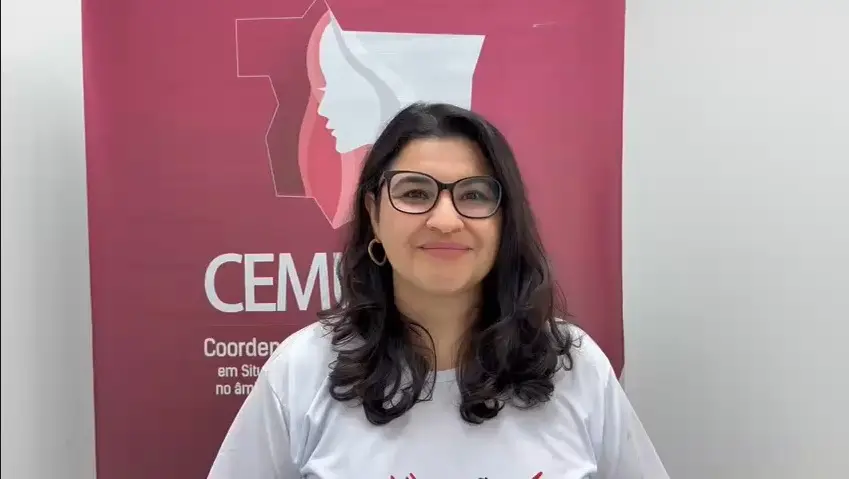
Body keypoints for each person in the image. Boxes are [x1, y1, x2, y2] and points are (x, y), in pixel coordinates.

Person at [207, 102, 669, 478]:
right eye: (414, 193)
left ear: (505, 221)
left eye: (474, 195)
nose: (445, 220)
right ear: (373, 213)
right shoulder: (302, 372)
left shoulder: (575, 368)